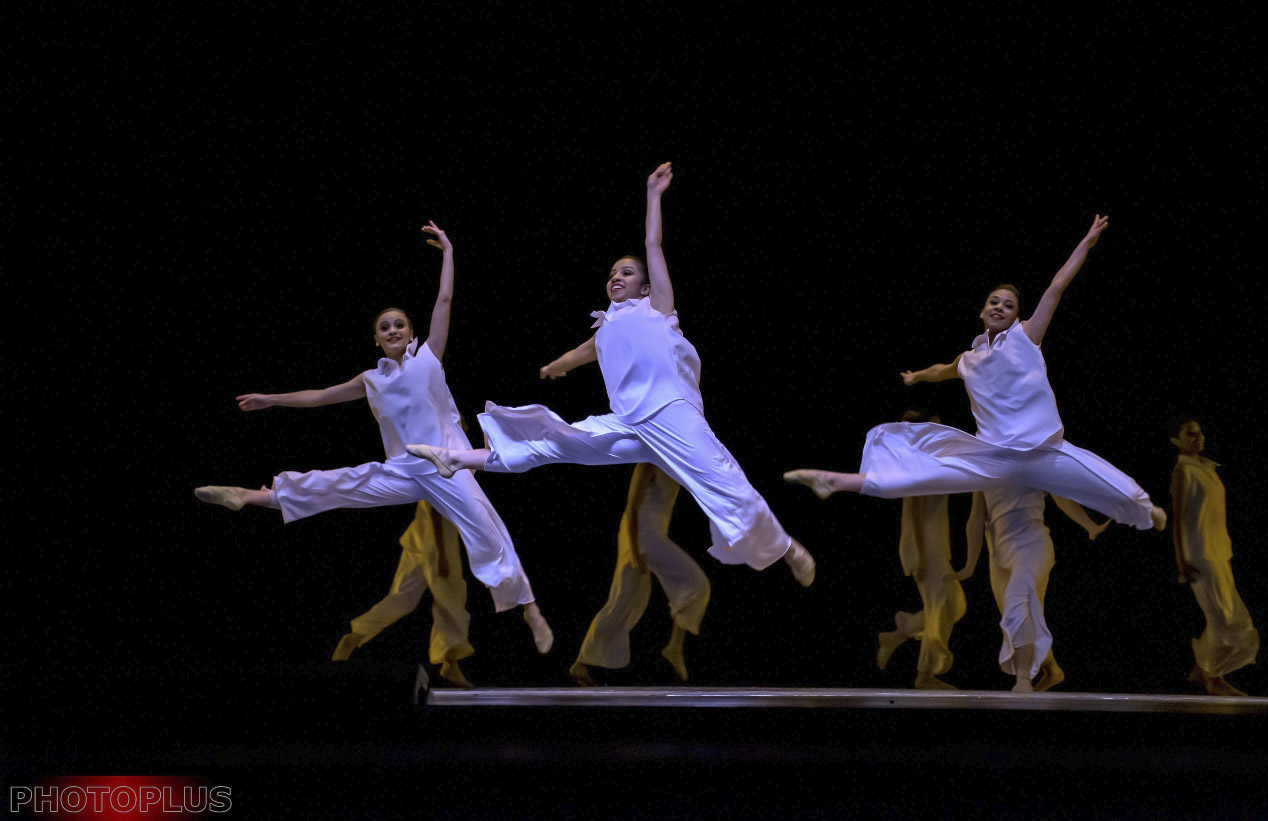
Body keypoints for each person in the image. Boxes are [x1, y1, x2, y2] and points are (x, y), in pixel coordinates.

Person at [408, 163, 815, 587]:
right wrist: (555, 366)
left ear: (643, 287)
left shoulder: (655, 307)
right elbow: (581, 354)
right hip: (630, 423)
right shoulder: (606, 329)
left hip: (670, 413)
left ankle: (786, 547)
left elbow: (653, 243)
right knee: (554, 442)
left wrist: (653, 196)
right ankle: (457, 459)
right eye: (612, 273)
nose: (615, 277)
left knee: (724, 481)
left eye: (626, 272)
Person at [195, 222, 553, 653]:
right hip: (403, 470)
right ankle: (249, 496)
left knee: (485, 531)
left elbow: (444, 299)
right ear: (377, 340)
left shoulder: (428, 358)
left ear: (410, 330)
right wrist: (272, 399)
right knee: (344, 482)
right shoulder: (371, 379)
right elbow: (321, 396)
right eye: (385, 328)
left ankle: (530, 610)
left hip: (448, 465)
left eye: (399, 324)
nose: (393, 331)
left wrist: (449, 252)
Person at [784, 215, 1166, 535]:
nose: (1000, 306)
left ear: (1017, 315)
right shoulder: (968, 358)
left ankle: (1145, 510)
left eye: (1009, 304)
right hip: (994, 455)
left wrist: (1086, 242)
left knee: (1100, 477)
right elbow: (942, 371)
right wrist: (917, 377)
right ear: (982, 311)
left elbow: (1056, 286)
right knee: (921, 472)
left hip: (1041, 450)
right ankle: (835, 481)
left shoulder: (1026, 336)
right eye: (994, 302)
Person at [954, 487, 1110, 692]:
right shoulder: (985, 468)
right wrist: (970, 564)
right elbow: (976, 517)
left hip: (1033, 548)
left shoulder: (1031, 460)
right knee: (1015, 620)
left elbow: (1060, 497)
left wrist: (1089, 525)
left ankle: (1023, 679)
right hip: (1000, 558)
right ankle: (1052, 669)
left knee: (1016, 601)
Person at [570, 463, 711, 687]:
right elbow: (632, 508)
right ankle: (674, 647)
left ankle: (582, 664)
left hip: (650, 538)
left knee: (623, 601)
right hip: (642, 537)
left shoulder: (672, 464)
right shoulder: (647, 463)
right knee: (696, 583)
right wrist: (634, 552)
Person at [332, 500, 478, 689]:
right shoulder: (445, 471)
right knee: (451, 600)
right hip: (436, 541)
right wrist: (441, 553)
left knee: (402, 599)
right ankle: (451, 662)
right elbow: (436, 509)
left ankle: (356, 635)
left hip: (420, 536)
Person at [874, 413, 966, 691]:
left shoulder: (931, 457)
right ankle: (925, 675)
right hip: (927, 548)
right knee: (939, 608)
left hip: (938, 545)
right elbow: (910, 511)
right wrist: (914, 551)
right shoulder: (914, 462)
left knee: (955, 605)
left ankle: (898, 635)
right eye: (934, 424)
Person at [1169, 417, 1258, 696]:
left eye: (1200, 432)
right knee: (1226, 618)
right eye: (1190, 433)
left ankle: (1202, 670)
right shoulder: (1184, 471)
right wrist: (1181, 560)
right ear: (1178, 440)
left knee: (1225, 616)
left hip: (1218, 552)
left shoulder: (1207, 469)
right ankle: (1213, 676)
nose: (1198, 437)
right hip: (1200, 556)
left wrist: (1225, 552)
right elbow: (1178, 520)